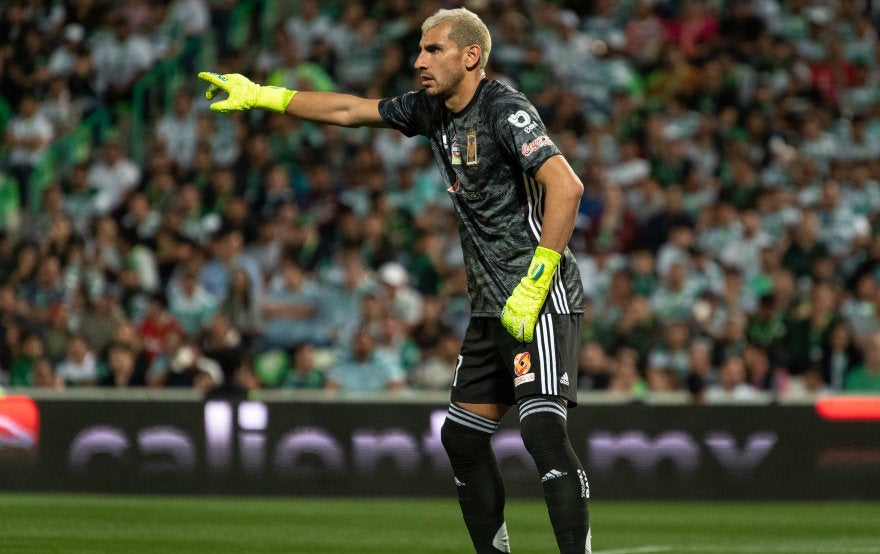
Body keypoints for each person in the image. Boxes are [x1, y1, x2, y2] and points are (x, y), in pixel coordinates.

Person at [199, 7, 591, 553]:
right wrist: (265, 95)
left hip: (539, 300)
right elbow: (348, 109)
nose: (419, 61)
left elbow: (566, 187)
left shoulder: (505, 110)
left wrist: (538, 277)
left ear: (471, 56)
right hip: (490, 308)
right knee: (462, 437)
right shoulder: (432, 110)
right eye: (420, 50)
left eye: (433, 50)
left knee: (542, 432)